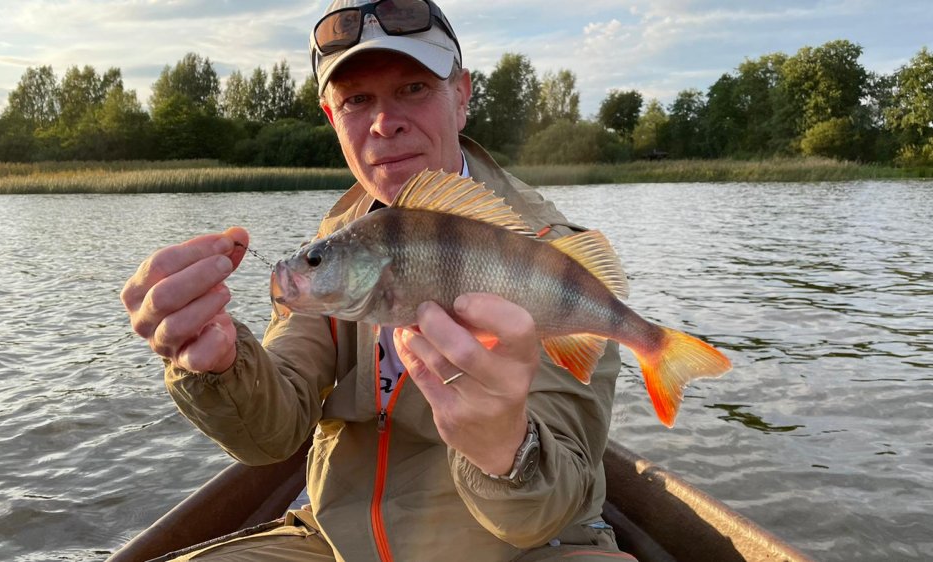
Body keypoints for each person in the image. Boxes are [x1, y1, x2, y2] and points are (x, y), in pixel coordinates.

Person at [120, 1, 634, 560]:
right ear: (331, 117)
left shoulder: (545, 253)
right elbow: (273, 432)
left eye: (413, 87)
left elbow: (551, 503)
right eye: (357, 100)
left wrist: (506, 451)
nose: (385, 122)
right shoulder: (336, 252)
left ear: (462, 96)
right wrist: (219, 364)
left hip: (530, 548)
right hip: (342, 542)